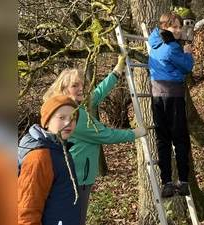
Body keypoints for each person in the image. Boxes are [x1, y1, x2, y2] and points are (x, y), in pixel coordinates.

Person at [42, 54, 147, 225]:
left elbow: (96, 94)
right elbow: (105, 134)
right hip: (76, 178)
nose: (81, 88)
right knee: (76, 220)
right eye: (75, 85)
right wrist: (136, 133)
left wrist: (116, 71)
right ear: (64, 89)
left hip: (75, 175)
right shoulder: (76, 115)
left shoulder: (73, 106)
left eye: (83, 85)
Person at [147, 11, 194, 198]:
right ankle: (183, 182)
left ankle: (166, 181)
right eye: (175, 27)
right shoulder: (171, 46)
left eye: (180, 27)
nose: (178, 30)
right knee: (180, 138)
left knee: (162, 139)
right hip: (173, 96)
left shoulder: (153, 43)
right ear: (165, 27)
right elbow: (187, 67)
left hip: (156, 95)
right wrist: (188, 54)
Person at [18, 95, 81, 224]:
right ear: (46, 122)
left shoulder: (59, 149)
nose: (68, 122)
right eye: (61, 117)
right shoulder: (40, 157)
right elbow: (27, 211)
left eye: (73, 118)